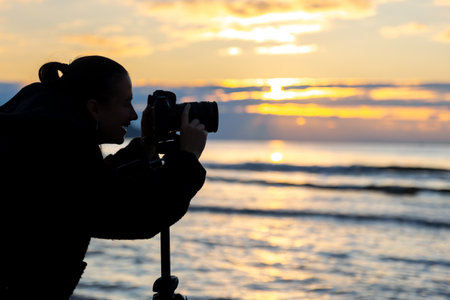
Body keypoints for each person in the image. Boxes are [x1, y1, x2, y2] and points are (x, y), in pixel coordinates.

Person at [0, 55, 207, 299]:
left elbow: (98, 186)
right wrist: (187, 159)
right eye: (126, 103)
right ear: (94, 107)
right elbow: (136, 215)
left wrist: (146, 146)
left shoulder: (41, 133)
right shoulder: (57, 147)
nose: (132, 115)